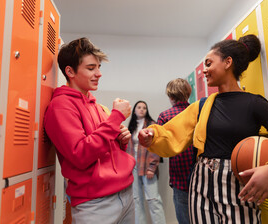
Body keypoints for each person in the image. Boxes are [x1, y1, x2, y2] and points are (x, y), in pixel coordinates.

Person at [138, 34, 268, 223]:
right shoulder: (201, 106)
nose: (204, 71)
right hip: (200, 186)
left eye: (208, 64)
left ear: (227, 62)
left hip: (239, 187)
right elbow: (170, 134)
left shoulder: (255, 103)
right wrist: (152, 135)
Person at [44, 37, 136, 223]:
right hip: (96, 204)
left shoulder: (97, 106)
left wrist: (121, 140)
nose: (99, 73)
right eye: (91, 68)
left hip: (125, 193)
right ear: (70, 71)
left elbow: (106, 149)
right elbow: (81, 154)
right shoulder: (60, 106)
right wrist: (117, 117)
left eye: (99, 67)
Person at [156, 78, 193, 224]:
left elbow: (160, 149)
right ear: (188, 93)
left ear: (171, 96)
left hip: (180, 178)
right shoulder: (198, 112)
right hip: (200, 177)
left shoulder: (165, 116)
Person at [126, 101, 166, 224]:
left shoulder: (152, 125)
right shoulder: (131, 127)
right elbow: (128, 148)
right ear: (134, 110)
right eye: (139, 107)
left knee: (153, 199)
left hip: (147, 165)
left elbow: (155, 147)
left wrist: (152, 167)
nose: (142, 109)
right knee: (136, 199)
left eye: (144, 107)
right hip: (133, 166)